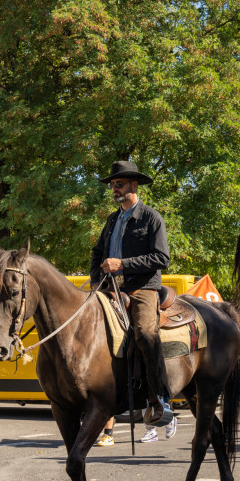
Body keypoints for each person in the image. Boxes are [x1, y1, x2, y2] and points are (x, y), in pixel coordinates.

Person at [91, 160, 173, 426]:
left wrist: (122, 264)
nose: (114, 189)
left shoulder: (151, 218)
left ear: (134, 185)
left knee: (146, 335)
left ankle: (160, 398)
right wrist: (95, 281)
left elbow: (162, 257)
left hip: (142, 288)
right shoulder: (112, 219)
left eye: (119, 184)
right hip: (110, 287)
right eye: (113, 185)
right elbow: (96, 253)